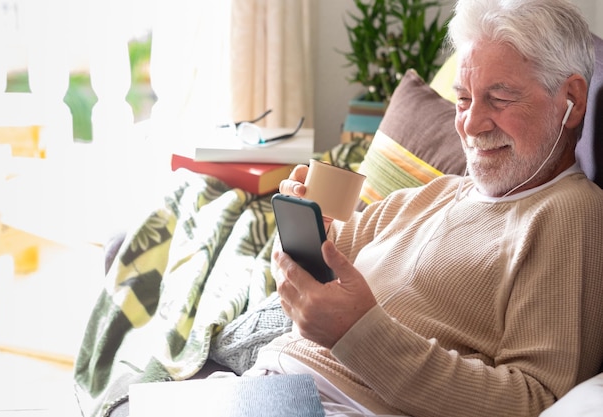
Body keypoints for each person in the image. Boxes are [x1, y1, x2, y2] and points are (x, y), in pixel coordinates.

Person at [243, 0, 603, 416]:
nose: (470, 124)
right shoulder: (437, 193)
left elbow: (533, 401)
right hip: (268, 384)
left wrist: (356, 333)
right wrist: (298, 232)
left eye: (499, 98)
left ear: (572, 101)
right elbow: (331, 259)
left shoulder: (570, 215)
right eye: (464, 99)